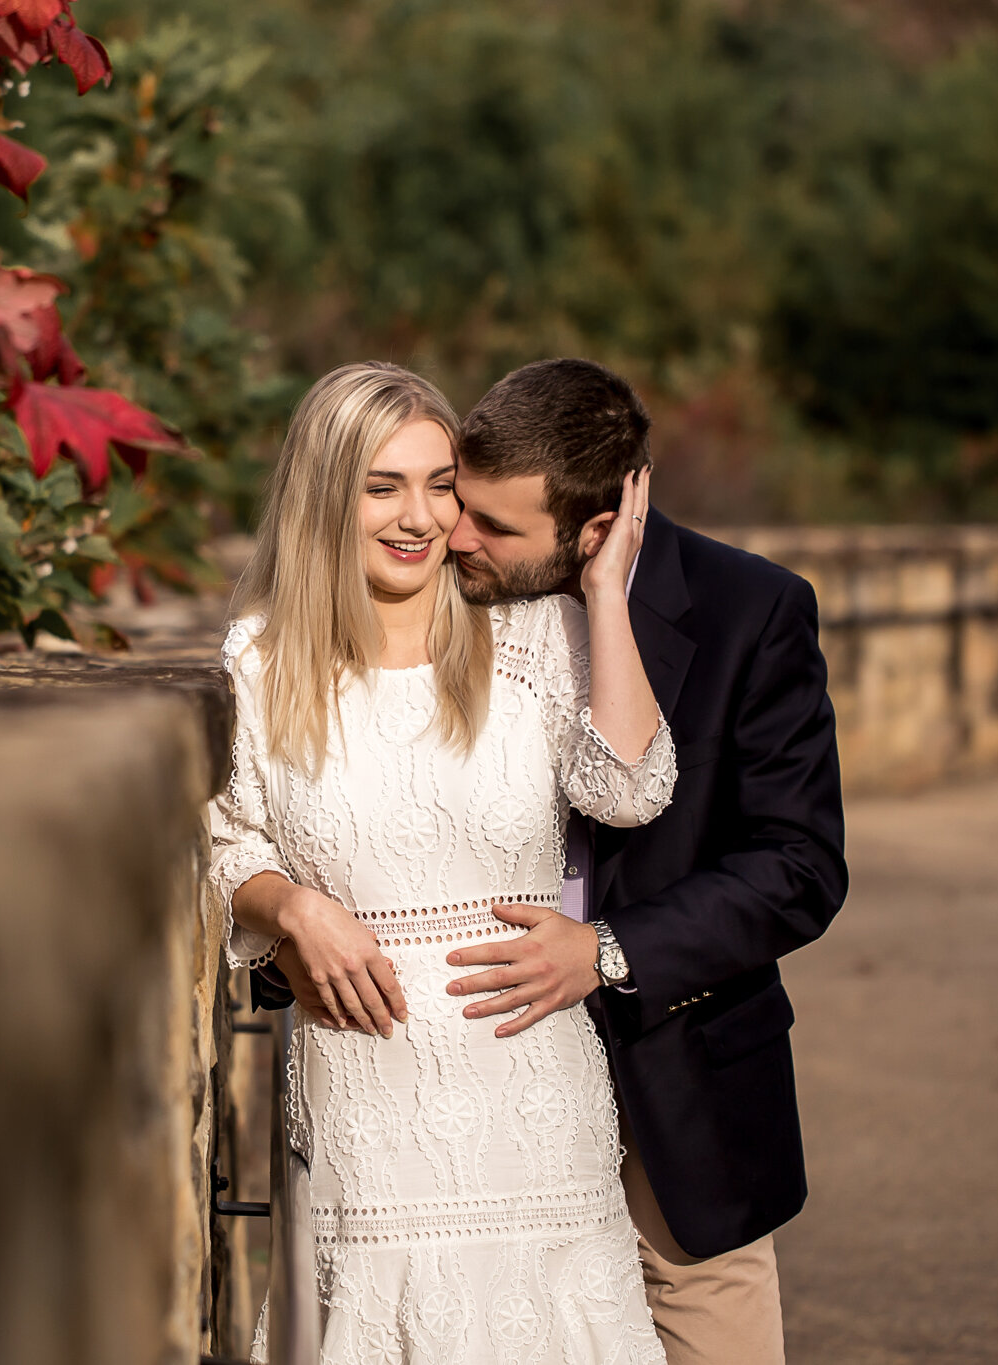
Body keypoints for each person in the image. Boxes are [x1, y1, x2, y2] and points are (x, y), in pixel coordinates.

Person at [211, 360, 678, 1364]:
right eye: (383, 486)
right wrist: (291, 906)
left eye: (439, 486)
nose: (418, 517)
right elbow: (218, 843)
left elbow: (631, 787)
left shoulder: (530, 637)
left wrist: (601, 594)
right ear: (325, 494)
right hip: (363, 1104)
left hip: (534, 1100)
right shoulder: (259, 662)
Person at [437, 358, 846, 1365]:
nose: (456, 537)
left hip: (678, 1075)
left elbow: (796, 864)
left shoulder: (748, 612)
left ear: (590, 531)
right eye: (461, 504)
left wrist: (608, 949)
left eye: (493, 525)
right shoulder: (435, 598)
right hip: (478, 1084)